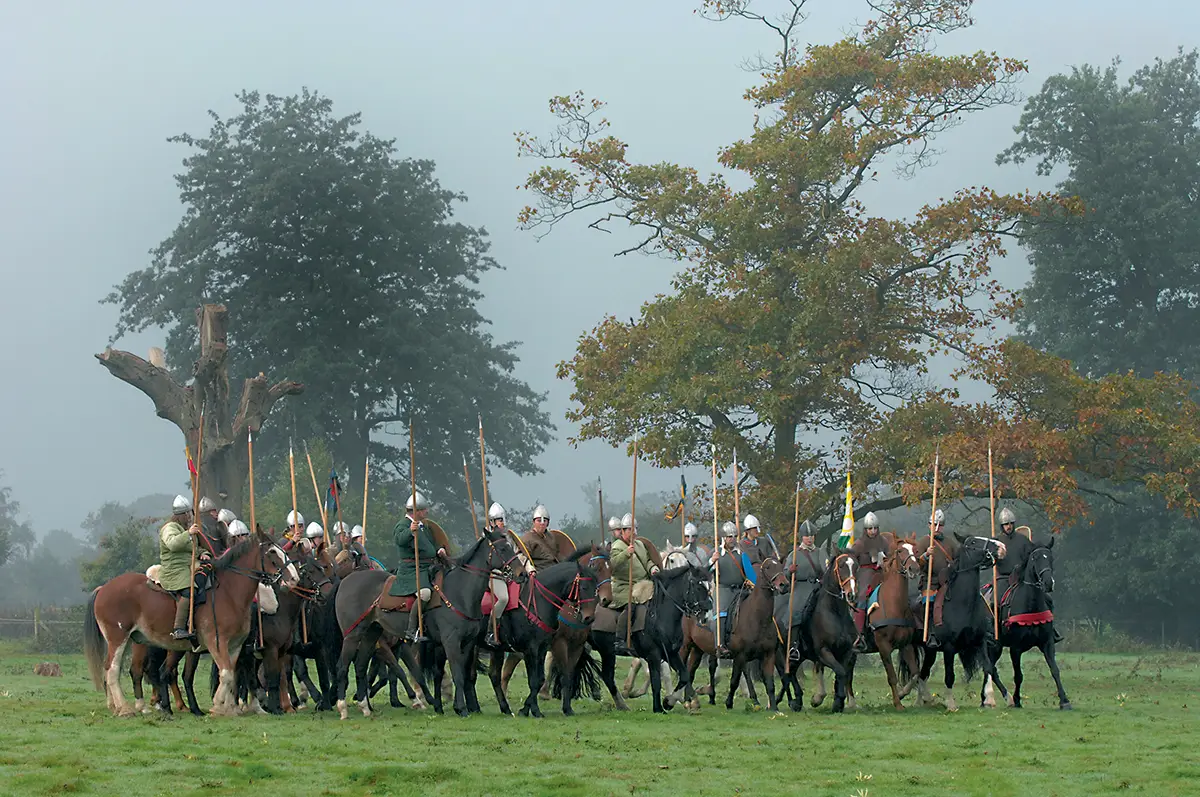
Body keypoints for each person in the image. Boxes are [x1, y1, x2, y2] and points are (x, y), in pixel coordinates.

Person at [390, 491, 446, 643]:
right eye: (424, 509)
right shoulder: (403, 525)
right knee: (425, 593)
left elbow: (428, 546)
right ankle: (411, 629)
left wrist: (438, 550)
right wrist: (410, 531)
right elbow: (399, 540)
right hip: (411, 570)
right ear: (417, 511)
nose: (427, 512)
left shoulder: (424, 527)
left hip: (427, 568)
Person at [776, 520, 825, 660]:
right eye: (806, 536)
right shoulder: (794, 554)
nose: (809, 538)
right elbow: (784, 575)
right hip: (800, 589)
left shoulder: (820, 552)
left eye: (811, 535)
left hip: (817, 588)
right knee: (795, 612)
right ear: (801, 537)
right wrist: (790, 571)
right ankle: (794, 646)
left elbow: (826, 570)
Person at [915, 508, 960, 647]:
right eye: (934, 524)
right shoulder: (923, 542)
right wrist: (926, 555)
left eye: (940, 525)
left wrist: (952, 565)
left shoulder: (950, 543)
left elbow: (958, 560)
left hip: (948, 583)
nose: (937, 527)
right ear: (929, 525)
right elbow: (917, 564)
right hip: (930, 582)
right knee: (929, 603)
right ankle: (932, 634)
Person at [850, 511, 894, 651]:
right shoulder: (859, 544)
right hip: (865, 574)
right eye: (870, 528)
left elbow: (891, 557)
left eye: (875, 528)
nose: (873, 531)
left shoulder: (884, 542)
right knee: (862, 599)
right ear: (865, 529)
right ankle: (859, 635)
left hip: (882, 573)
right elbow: (851, 561)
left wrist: (886, 562)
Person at [161, 495, 203, 641]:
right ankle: (178, 628)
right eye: (188, 514)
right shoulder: (169, 528)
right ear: (182, 515)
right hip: (174, 569)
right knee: (189, 590)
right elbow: (172, 544)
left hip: (188, 567)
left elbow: (194, 549)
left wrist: (204, 554)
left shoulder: (186, 529)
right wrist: (188, 534)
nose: (191, 516)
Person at [710, 521, 751, 654]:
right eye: (729, 536)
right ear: (723, 538)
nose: (732, 539)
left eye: (734, 536)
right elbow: (704, 572)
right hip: (723, 589)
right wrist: (712, 561)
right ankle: (720, 645)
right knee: (721, 613)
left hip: (741, 590)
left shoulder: (741, 553)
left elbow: (750, 573)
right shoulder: (716, 553)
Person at [609, 513, 659, 612]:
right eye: (630, 529)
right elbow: (612, 565)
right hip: (625, 587)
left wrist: (653, 568)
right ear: (622, 531)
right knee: (630, 608)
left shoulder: (639, 544)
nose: (634, 532)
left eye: (636, 529)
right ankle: (622, 627)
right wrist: (626, 553)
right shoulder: (616, 546)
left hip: (644, 584)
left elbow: (647, 561)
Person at [520, 505, 561, 574]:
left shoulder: (551, 536)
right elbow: (522, 557)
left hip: (555, 569)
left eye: (544, 521)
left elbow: (557, 554)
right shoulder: (527, 538)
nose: (542, 523)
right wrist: (530, 570)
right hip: (540, 572)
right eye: (539, 520)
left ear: (547, 523)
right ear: (534, 522)